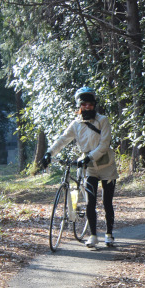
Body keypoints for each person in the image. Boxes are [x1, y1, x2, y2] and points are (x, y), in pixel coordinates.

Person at [41, 87, 119, 248]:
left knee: (107, 202)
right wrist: (49, 153)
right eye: (84, 104)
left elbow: (104, 145)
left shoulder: (102, 120)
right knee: (90, 201)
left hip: (106, 166)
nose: (87, 107)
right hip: (89, 167)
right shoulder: (76, 124)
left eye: (90, 104)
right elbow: (63, 139)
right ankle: (92, 235)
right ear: (80, 105)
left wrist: (89, 157)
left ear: (94, 105)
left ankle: (109, 234)